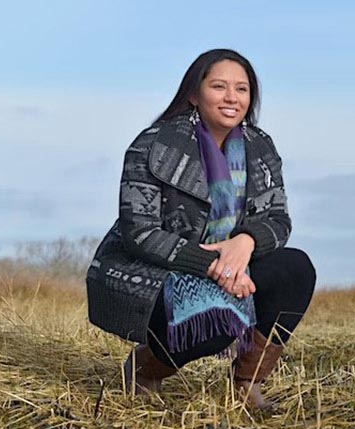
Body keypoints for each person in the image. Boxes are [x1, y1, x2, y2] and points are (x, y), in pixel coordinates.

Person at [86, 49, 316, 410]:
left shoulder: (261, 148)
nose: (232, 97)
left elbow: (278, 220)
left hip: (231, 268)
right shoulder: (154, 145)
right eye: (219, 86)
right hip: (156, 274)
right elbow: (140, 232)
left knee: (295, 269)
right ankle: (144, 369)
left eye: (242, 89)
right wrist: (215, 266)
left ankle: (245, 385)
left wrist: (245, 242)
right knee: (213, 315)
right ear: (194, 94)